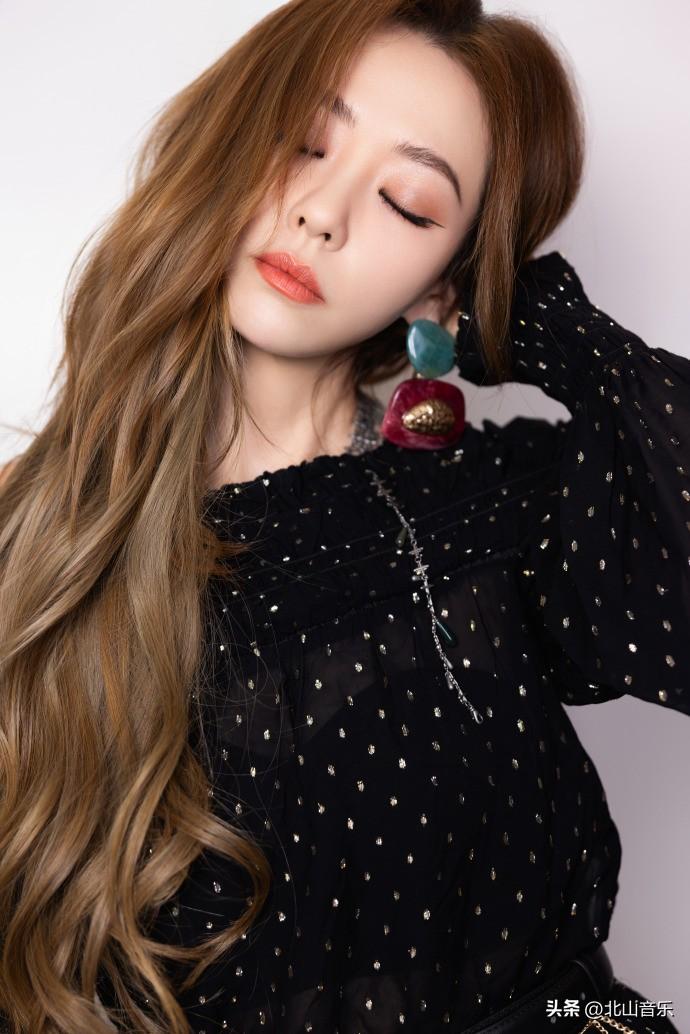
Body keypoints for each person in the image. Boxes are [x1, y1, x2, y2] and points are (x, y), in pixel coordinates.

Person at [0, 1, 687, 1032]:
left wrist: (548, 325)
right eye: (302, 143)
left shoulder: (498, 505)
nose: (323, 213)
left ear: (445, 276)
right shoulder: (31, 533)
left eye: (408, 204)